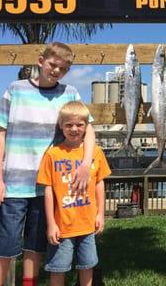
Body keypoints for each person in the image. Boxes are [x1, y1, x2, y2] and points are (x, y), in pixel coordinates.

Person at [0, 42, 96, 286]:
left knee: (34, 246)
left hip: (48, 187)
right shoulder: (16, 89)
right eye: (53, 65)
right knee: (4, 247)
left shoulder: (70, 94)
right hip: (14, 185)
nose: (56, 71)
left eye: (63, 69)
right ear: (40, 61)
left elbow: (89, 129)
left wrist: (85, 164)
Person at [37, 101, 111, 286]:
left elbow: (100, 184)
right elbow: (48, 189)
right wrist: (51, 224)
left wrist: (100, 214)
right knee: (58, 268)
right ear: (60, 126)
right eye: (68, 125)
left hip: (87, 226)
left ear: (86, 126)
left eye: (79, 125)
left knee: (87, 266)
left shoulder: (96, 153)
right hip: (62, 227)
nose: (74, 129)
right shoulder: (52, 154)